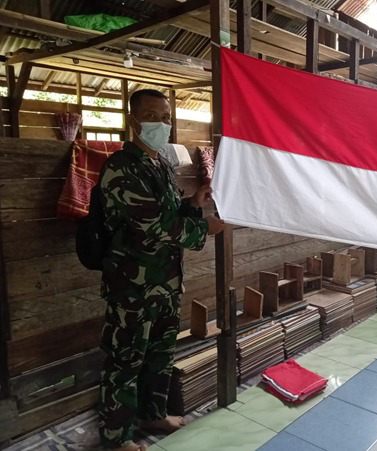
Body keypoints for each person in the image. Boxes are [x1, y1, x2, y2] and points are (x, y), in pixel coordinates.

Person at [97, 89, 225, 451]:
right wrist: (205, 229)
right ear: (133, 120)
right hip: (132, 285)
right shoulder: (121, 167)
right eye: (152, 115)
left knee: (160, 352)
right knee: (126, 359)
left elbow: (166, 216)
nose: (162, 123)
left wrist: (192, 204)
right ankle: (116, 437)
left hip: (165, 281)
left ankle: (152, 413)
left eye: (166, 116)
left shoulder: (159, 163)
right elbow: (149, 226)